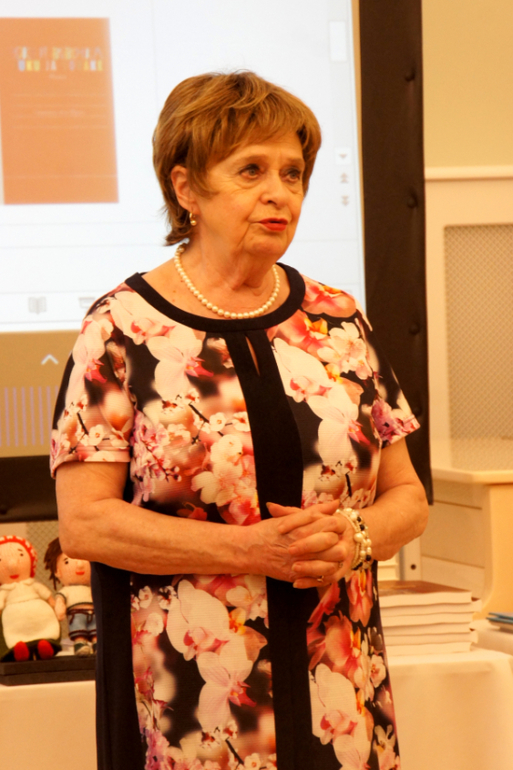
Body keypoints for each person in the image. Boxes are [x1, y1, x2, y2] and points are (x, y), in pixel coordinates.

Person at [51, 71, 429, 770]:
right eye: (251, 170)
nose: (280, 192)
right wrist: (249, 551)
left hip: (340, 699)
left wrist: (353, 538)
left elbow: (407, 497)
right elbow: (86, 523)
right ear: (186, 189)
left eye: (293, 173)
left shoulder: (338, 319)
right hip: (189, 712)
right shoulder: (120, 328)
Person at [0, 535, 60, 661]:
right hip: (14, 621)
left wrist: (52, 602)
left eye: (21, 555)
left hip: (41, 615)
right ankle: (19, 650)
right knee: (14, 636)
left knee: (48, 629)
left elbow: (45, 594)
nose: (12, 565)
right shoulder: (4, 592)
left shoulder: (33, 585)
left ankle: (46, 645)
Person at [44, 537, 97, 656]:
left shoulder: (93, 589)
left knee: (96, 631)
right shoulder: (66, 591)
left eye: (85, 559)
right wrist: (59, 609)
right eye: (67, 561)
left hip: (94, 614)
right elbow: (60, 600)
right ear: (57, 571)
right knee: (79, 632)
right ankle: (80, 645)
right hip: (76, 615)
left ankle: (98, 645)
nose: (80, 565)